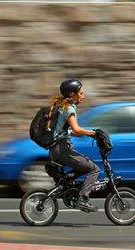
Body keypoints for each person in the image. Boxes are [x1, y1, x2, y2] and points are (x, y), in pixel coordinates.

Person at [49, 79, 99, 212]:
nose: (83, 96)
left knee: (83, 167)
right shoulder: (68, 108)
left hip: (57, 149)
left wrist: (88, 134)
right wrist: (94, 133)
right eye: (81, 93)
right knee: (94, 169)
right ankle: (82, 199)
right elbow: (76, 129)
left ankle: (65, 181)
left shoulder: (61, 106)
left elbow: (70, 131)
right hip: (62, 149)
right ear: (72, 94)